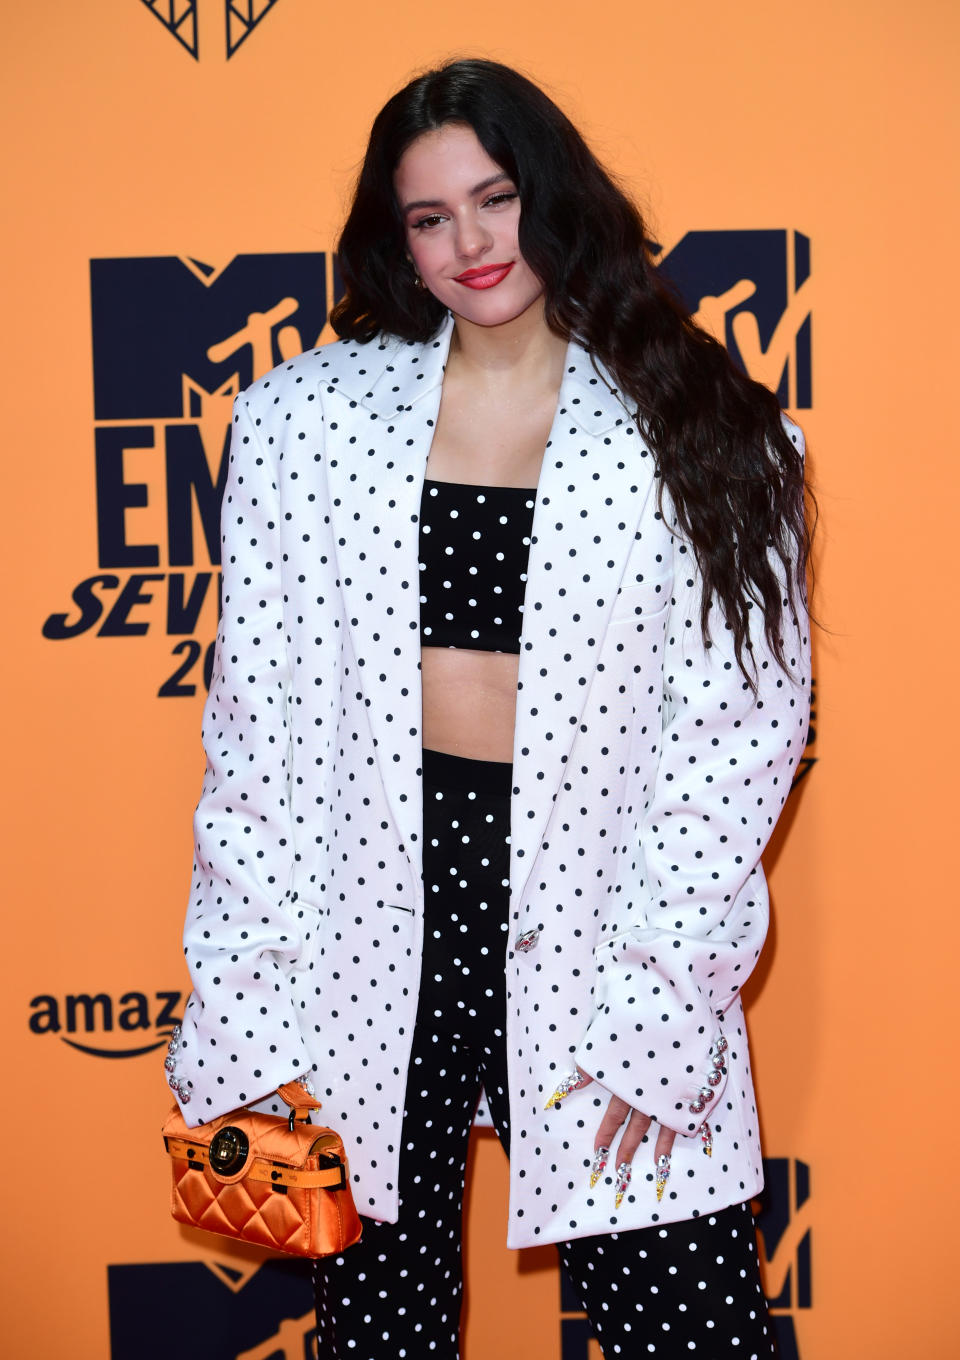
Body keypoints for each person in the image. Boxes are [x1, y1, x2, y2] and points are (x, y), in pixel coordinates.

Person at [165, 58, 812, 1359]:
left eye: (497, 198)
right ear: (393, 239)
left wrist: (658, 997)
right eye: (428, 217)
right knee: (380, 1318)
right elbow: (261, 739)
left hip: (602, 902)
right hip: (375, 904)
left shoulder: (702, 424)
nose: (468, 243)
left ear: (555, 198)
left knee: (687, 1310)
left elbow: (738, 736)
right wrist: (242, 999)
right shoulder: (306, 422)